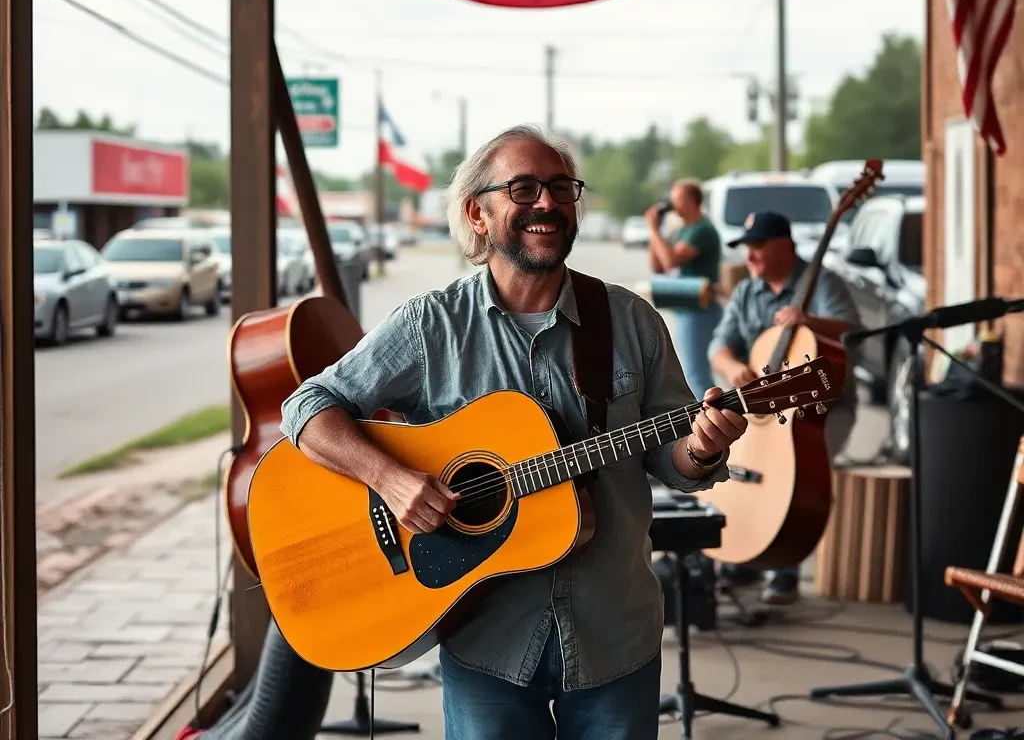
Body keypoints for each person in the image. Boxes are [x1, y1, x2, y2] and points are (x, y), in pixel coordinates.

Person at [280, 124, 748, 740]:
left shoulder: (629, 320)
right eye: (523, 189)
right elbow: (307, 405)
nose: (547, 204)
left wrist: (703, 446)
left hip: (614, 634)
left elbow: (673, 457)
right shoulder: (434, 326)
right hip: (486, 638)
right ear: (478, 213)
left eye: (560, 187)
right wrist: (390, 480)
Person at [708, 210, 861, 606]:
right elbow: (719, 346)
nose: (751, 257)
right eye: (747, 249)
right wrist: (731, 366)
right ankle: (744, 554)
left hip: (823, 408)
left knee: (788, 474)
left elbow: (855, 332)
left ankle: (782, 567)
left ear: (786, 246)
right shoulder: (746, 290)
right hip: (765, 409)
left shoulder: (823, 282)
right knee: (736, 467)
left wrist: (809, 320)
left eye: (759, 247)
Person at [645, 179, 722, 397]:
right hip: (687, 307)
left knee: (696, 374)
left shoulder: (702, 230)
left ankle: (714, 418)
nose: (672, 204)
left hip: (700, 309)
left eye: (677, 199)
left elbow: (670, 261)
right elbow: (657, 265)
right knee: (692, 371)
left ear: (691, 201)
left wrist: (652, 228)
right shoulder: (684, 231)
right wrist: (656, 230)